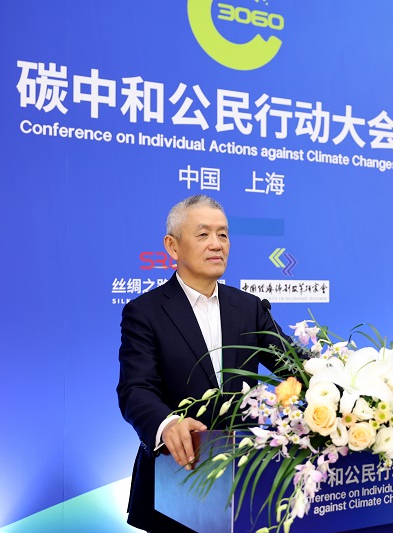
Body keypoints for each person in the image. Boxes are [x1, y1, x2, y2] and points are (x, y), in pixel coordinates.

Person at [117, 194, 284, 532]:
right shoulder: (145, 312)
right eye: (203, 234)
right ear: (172, 246)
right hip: (177, 477)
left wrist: (349, 383)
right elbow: (136, 389)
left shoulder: (250, 307)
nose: (216, 244)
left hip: (245, 481)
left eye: (223, 234)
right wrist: (166, 424)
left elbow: (293, 365)